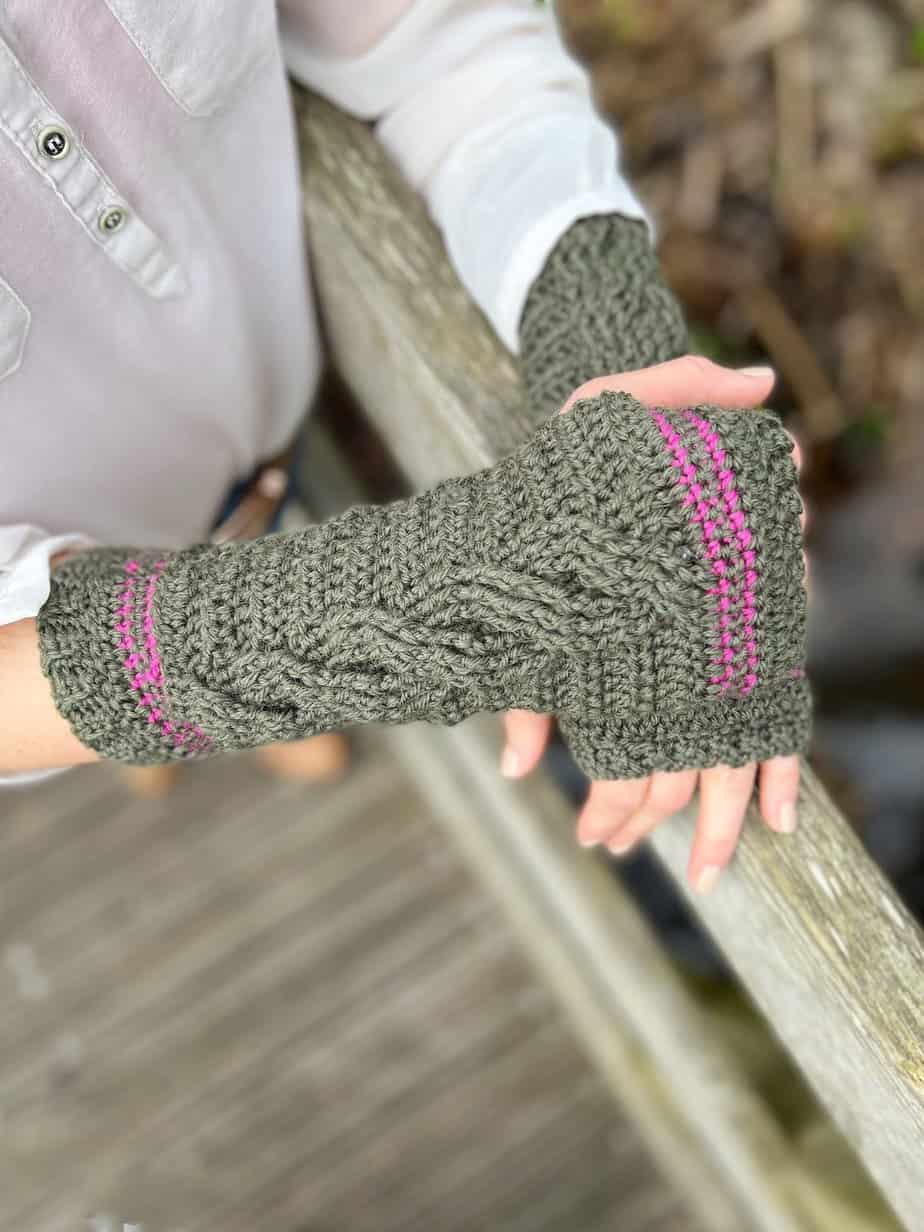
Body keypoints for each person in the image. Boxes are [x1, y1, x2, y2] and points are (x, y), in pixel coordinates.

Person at [0, 1, 809, 894]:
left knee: (254, 574)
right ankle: (146, 746)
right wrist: (479, 592)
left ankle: (228, 733)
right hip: (61, 631)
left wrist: (629, 405)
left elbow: (445, 41)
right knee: (130, 726)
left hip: (268, 460)